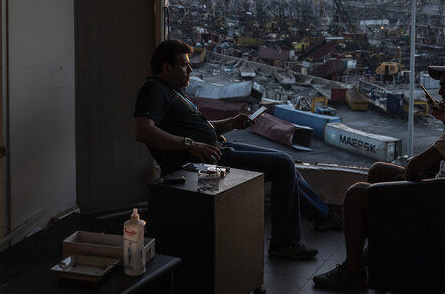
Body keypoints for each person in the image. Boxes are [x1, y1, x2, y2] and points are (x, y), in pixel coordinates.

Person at [134, 40, 342, 260]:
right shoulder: (154, 90)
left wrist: (231, 122)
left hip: (215, 149)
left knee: (285, 161)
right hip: (199, 162)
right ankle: (285, 242)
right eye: (185, 65)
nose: (191, 69)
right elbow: (143, 132)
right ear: (166, 67)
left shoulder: (174, 92)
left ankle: (323, 216)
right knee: (283, 165)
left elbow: (204, 130)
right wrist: (190, 145)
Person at [312, 60, 445, 289]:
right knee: (377, 171)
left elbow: (416, 165)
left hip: (441, 209)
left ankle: (353, 270)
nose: (440, 92)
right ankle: (376, 249)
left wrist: (399, 185)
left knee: (356, 195)